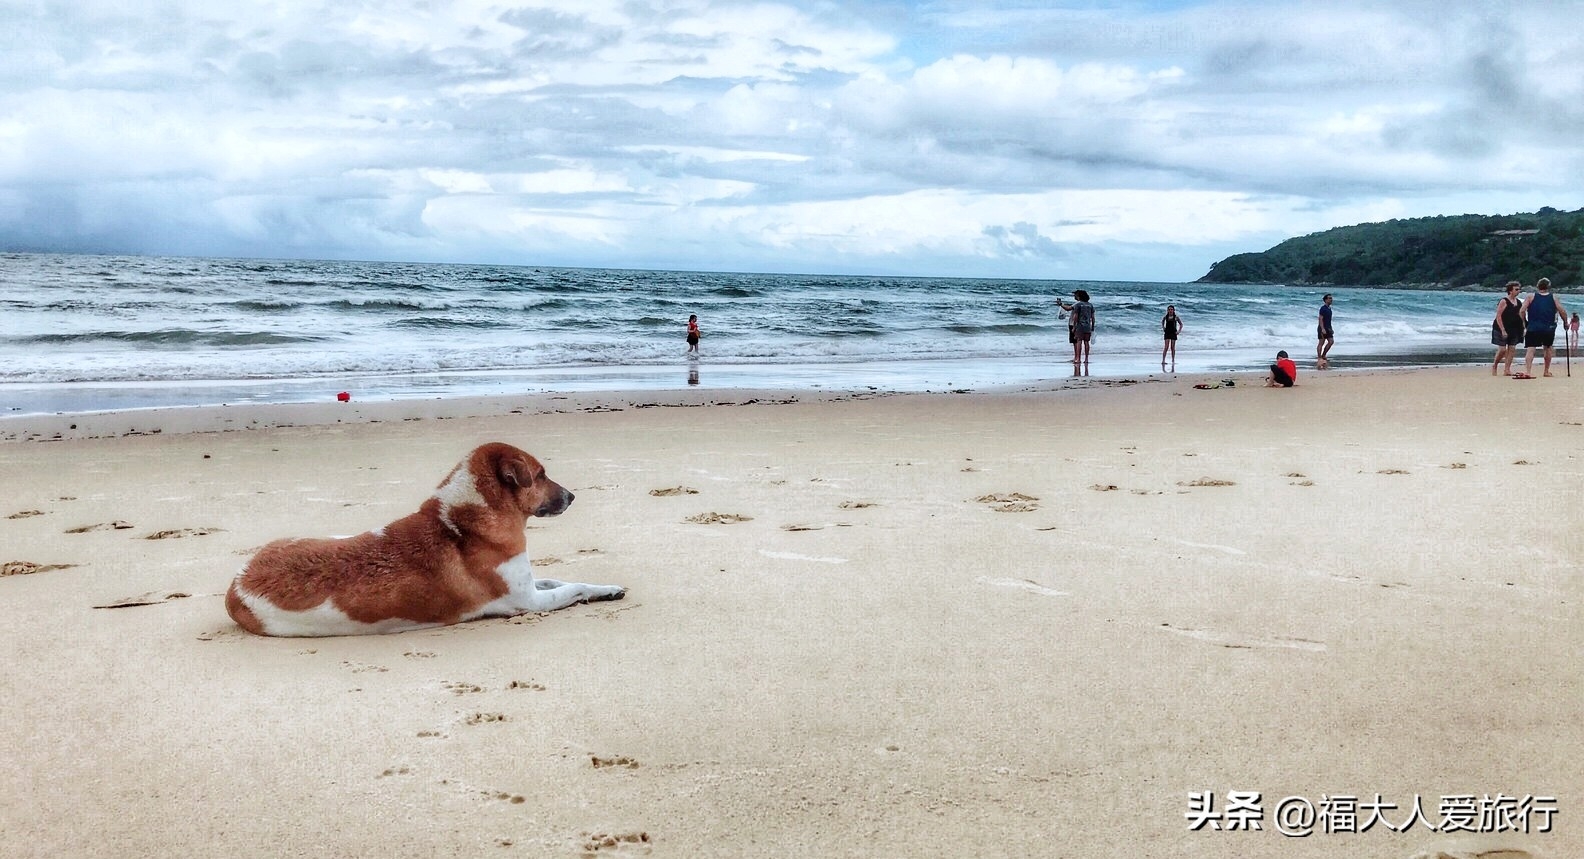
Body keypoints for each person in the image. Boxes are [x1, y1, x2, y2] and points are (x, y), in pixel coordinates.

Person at [1519, 277, 1568, 378]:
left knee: (1531, 349)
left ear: (1537, 286)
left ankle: (1528, 371)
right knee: (1548, 348)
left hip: (1533, 327)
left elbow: (1522, 310)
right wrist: (1565, 322)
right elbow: (1562, 311)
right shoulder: (1553, 297)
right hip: (1548, 328)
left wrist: (1524, 322)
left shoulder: (1530, 297)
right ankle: (1546, 371)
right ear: (1548, 287)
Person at [1490, 280, 1525, 376]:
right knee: (1502, 349)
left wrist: (1523, 328)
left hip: (1514, 329)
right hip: (1501, 328)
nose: (1518, 291)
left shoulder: (1518, 302)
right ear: (1510, 291)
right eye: (1516, 289)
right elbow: (1498, 316)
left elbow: (1521, 316)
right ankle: (1495, 365)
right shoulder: (1503, 301)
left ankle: (1507, 369)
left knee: (1512, 348)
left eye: (1519, 289)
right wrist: (1502, 330)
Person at [1055, 289, 1095, 365]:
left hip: (1078, 326)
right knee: (1086, 342)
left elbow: (1071, 311)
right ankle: (1086, 359)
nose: (1074, 297)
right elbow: (1093, 317)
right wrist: (1092, 327)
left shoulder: (1078, 304)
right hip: (1087, 326)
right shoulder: (1090, 305)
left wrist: (1060, 304)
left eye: (1075, 295)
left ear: (1079, 296)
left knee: (1077, 342)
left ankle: (1077, 358)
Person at [1316, 294, 1334, 368]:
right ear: (1326, 300)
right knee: (1321, 342)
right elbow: (1320, 319)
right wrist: (1322, 328)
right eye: (1329, 298)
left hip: (1328, 328)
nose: (1331, 300)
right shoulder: (1323, 308)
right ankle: (1319, 357)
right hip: (1322, 328)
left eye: (1331, 298)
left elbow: (1329, 320)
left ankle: (1324, 354)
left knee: (1331, 341)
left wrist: (1331, 328)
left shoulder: (1329, 309)